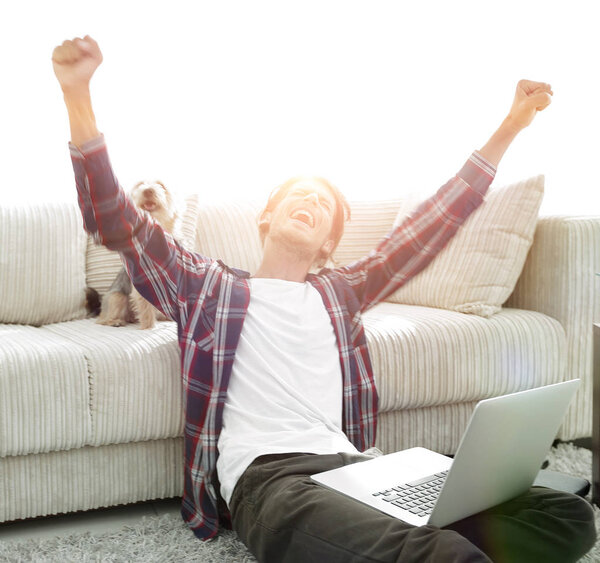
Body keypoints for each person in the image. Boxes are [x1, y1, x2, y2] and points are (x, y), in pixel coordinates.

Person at [52, 35, 596, 562]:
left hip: (360, 471)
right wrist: (79, 96)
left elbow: (434, 225)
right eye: (298, 194)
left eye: (322, 204)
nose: (309, 201)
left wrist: (511, 125)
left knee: (568, 517)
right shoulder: (209, 287)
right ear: (267, 215)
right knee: (442, 552)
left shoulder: (340, 294)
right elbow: (118, 222)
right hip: (273, 483)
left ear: (329, 243)